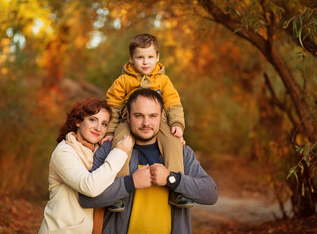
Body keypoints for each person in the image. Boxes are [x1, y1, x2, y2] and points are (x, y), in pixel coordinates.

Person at [79, 89, 218, 233]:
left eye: (153, 116)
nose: (146, 123)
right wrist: (129, 183)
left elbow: (210, 194)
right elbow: (87, 199)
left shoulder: (180, 151)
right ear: (127, 117)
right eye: (139, 116)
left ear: (161, 117)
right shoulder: (110, 149)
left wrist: (172, 179)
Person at [101, 33, 190, 211]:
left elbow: (173, 104)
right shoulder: (123, 81)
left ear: (157, 57)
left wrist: (177, 125)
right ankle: (119, 189)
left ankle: (177, 190)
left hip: (160, 123)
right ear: (131, 59)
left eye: (150, 57)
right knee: (120, 143)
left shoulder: (163, 81)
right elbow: (113, 107)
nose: (145, 62)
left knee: (173, 142)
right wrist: (110, 131)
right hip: (129, 121)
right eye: (140, 57)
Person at [38, 98, 133, 234]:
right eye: (93, 120)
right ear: (78, 121)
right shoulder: (64, 153)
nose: (99, 128)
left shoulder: (97, 152)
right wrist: (119, 152)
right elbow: (90, 187)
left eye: (104, 124)